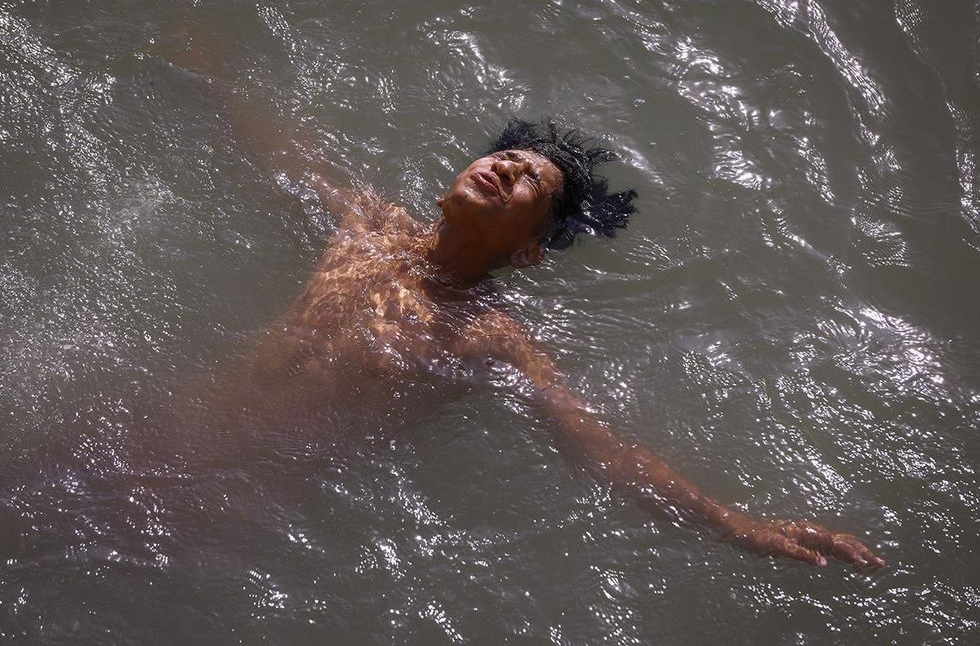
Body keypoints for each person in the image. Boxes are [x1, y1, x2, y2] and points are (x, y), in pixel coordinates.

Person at [166, 34, 884, 571]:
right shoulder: (369, 225)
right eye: (504, 160)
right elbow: (280, 157)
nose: (504, 166)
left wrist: (738, 524)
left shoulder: (489, 335)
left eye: (526, 185)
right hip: (162, 430)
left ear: (527, 252)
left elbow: (604, 452)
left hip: (233, 506)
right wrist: (208, 73)